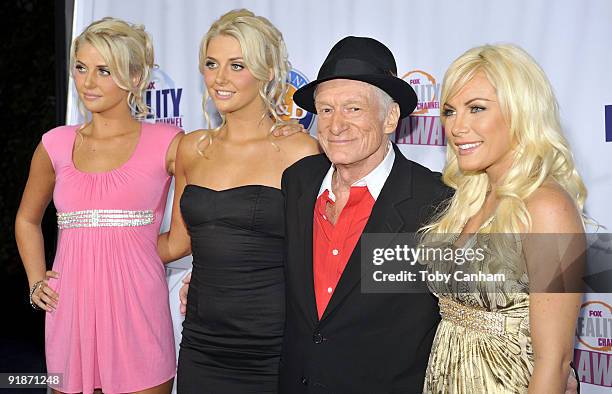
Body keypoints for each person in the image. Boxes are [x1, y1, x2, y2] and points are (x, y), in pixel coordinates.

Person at [156, 9, 320, 393]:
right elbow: (178, 243)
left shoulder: (300, 152)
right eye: (212, 64)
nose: (219, 78)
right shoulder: (192, 148)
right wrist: (98, 248)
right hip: (201, 340)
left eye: (237, 65)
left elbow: (318, 255)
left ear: (266, 72)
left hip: (274, 345)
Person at [15, 17, 180, 394]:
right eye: (81, 68)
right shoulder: (55, 144)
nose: (88, 82)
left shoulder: (169, 142)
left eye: (104, 70)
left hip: (138, 310)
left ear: (135, 77)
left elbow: (187, 233)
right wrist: (36, 281)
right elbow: (27, 219)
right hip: (70, 309)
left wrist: (136, 254)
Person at [278, 36, 450, 392]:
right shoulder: (297, 181)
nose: (335, 125)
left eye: (353, 109)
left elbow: (497, 299)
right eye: (325, 110)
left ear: (390, 117)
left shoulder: (436, 200)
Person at [419, 44, 586, 393]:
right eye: (450, 111)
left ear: (521, 112)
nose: (456, 127)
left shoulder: (547, 206)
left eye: (476, 109)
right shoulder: (470, 198)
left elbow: (553, 363)